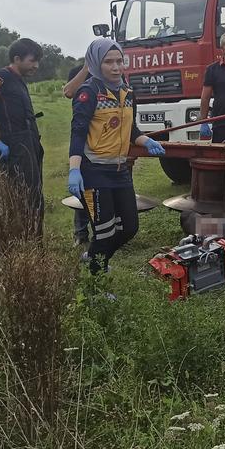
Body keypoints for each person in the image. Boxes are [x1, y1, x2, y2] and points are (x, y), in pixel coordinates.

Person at [68, 38, 167, 275]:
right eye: (108, 62)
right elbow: (78, 132)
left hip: (120, 171)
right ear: (95, 64)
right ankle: (97, 284)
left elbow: (131, 129)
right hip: (94, 172)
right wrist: (74, 170)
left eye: (119, 61)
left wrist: (147, 141)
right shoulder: (88, 92)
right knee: (104, 233)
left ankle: (94, 257)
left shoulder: (127, 92)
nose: (115, 67)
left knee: (130, 228)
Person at [0, 38, 46, 236]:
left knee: (35, 196)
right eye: (32, 60)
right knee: (25, 198)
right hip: (16, 144)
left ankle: (35, 248)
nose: (36, 66)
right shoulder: (2, 77)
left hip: (29, 141)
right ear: (17, 58)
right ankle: (27, 248)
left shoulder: (18, 79)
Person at [66, 62, 91, 249]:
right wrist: (85, 71)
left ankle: (107, 232)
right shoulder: (78, 72)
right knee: (83, 190)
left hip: (109, 138)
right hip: (83, 133)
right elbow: (68, 92)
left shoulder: (114, 73)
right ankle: (81, 234)